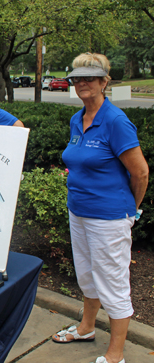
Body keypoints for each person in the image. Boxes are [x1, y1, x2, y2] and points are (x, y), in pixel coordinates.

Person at [52, 53, 149, 363]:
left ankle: (115, 355)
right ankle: (86, 327)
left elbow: (141, 172)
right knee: (88, 275)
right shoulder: (77, 119)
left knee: (112, 282)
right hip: (78, 211)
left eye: (90, 77)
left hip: (108, 217)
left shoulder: (116, 121)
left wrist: (130, 211)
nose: (82, 83)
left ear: (105, 81)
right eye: (77, 77)